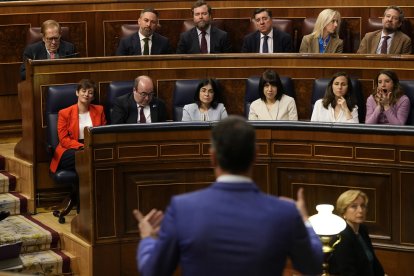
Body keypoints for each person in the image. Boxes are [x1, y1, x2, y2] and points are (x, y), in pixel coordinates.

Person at [133, 115, 323, 276]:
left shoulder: (182, 209)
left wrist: (148, 238)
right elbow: (313, 266)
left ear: (212, 157)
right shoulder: (286, 212)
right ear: (256, 156)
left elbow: (152, 270)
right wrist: (305, 219)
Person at [50, 79, 106, 174]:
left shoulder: (99, 110)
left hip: (92, 146)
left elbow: (103, 134)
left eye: (90, 92)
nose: (86, 94)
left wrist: (91, 147)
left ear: (93, 97)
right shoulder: (64, 113)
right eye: (83, 91)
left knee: (100, 155)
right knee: (90, 157)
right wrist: (83, 147)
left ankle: (88, 185)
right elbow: (64, 140)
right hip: (71, 148)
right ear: (77, 93)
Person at [329, 190, 385, 276]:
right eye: (354, 206)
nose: (360, 210)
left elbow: (373, 260)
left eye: (363, 206)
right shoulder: (342, 237)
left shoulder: (362, 230)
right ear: (343, 212)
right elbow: (347, 272)